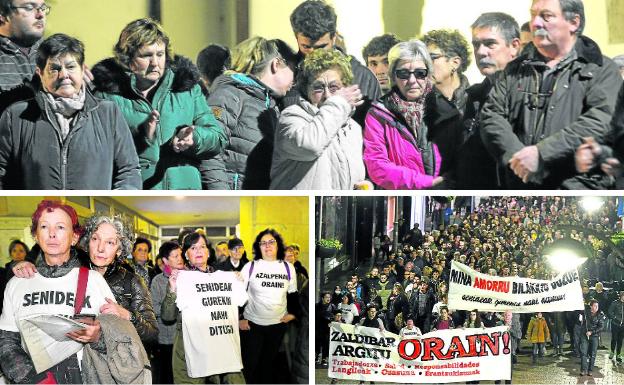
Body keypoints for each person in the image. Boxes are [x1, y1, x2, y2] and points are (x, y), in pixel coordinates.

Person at [480, 0, 622, 189]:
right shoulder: (514, 70)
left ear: (574, 22)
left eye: (546, 16)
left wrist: (542, 154)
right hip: (520, 185)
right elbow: (491, 116)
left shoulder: (601, 70)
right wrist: (520, 158)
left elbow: (602, 119)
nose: (536, 23)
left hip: (576, 188)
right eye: (533, 15)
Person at [92, 18, 226, 190]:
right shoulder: (107, 95)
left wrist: (194, 138)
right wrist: (141, 136)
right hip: (135, 191)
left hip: (185, 189)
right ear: (128, 58)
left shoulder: (186, 88)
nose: (155, 63)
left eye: (160, 54)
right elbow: (96, 152)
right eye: (146, 55)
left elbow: (217, 138)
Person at [0, 33, 141, 190]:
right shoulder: (16, 116)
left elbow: (129, 171)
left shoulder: (108, 113)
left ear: (82, 70)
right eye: (55, 68)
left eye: (71, 66)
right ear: (40, 74)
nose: (64, 75)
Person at [0, 201, 115, 383]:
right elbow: (6, 342)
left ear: (74, 237)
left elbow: (118, 338)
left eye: (60, 227)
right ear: (36, 235)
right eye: (44, 227)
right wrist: (34, 379)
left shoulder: (94, 281)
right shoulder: (17, 284)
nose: (52, 234)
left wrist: (98, 337)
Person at [13, 214, 159, 348]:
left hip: (114, 365)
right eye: (95, 239)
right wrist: (28, 265)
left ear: (119, 250)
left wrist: (127, 315)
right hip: (75, 362)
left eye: (110, 243)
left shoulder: (132, 281)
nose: (100, 248)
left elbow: (152, 333)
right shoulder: (72, 273)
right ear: (87, 242)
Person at [206, 36, 296, 190]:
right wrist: (224, 197)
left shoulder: (272, 106)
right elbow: (209, 150)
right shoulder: (229, 95)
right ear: (276, 64)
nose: (294, 80)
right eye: (293, 69)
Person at [270, 48, 368, 190]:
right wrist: (339, 104)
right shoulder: (291, 117)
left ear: (345, 87)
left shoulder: (353, 128)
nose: (327, 95)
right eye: (318, 88)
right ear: (306, 90)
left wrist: (364, 187)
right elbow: (311, 146)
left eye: (334, 87)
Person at [161, 232, 247, 384]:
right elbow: (167, 317)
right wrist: (172, 290)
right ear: (186, 254)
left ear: (208, 251)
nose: (199, 251)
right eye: (193, 248)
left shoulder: (224, 277)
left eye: (202, 247)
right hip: (189, 348)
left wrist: (237, 281)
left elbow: (238, 306)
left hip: (220, 344)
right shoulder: (181, 279)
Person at [363, 39, 443, 190]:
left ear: (428, 74)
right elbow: (377, 167)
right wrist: (425, 182)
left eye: (420, 73)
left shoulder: (445, 109)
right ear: (393, 76)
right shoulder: (378, 114)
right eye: (404, 74)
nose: (412, 80)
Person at [287, 0, 381, 126]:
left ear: (334, 37)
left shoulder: (363, 77)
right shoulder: (287, 74)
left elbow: (374, 132)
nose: (313, 54)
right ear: (296, 38)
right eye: (306, 47)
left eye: (321, 47)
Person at [456, 12, 521, 189]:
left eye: (490, 44)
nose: (480, 52)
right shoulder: (473, 96)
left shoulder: (528, 96)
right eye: (476, 45)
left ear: (514, 46)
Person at [239, 228, 299, 384]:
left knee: (268, 366)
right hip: (252, 325)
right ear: (258, 247)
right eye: (263, 243)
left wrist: (292, 315)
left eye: (271, 242)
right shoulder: (250, 267)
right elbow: (238, 295)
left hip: (277, 326)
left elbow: (292, 294)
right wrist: (240, 319)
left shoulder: (288, 267)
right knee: (249, 366)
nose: (267, 245)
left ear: (277, 245)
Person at [422, 29, 472, 180]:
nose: (425, 66)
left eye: (432, 58)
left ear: (455, 63)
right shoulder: (420, 103)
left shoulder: (476, 100)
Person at [150, 241, 184, 384]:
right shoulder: (158, 281)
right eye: (175, 256)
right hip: (167, 338)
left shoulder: (190, 276)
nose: (180, 258)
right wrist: (175, 310)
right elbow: (154, 308)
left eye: (180, 255)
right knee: (168, 376)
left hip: (187, 337)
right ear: (165, 260)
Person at [0, 0, 47, 92]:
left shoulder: (56, 52)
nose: (40, 15)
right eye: (29, 8)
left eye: (42, 8)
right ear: (2, 15)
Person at [580, 299, 605, 376]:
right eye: (595, 306)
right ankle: (583, 369)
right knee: (584, 353)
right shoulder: (585, 312)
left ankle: (590, 370)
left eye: (597, 306)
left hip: (594, 336)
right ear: (591, 306)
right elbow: (579, 310)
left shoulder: (600, 315)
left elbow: (601, 327)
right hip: (585, 335)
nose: (596, 307)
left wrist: (592, 332)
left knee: (593, 354)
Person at [608, 291, 624, 362]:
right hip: (615, 324)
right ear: (620, 296)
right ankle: (612, 352)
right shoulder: (615, 303)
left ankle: (618, 354)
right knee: (614, 338)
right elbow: (610, 311)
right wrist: (614, 318)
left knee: (620, 340)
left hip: (623, 325)